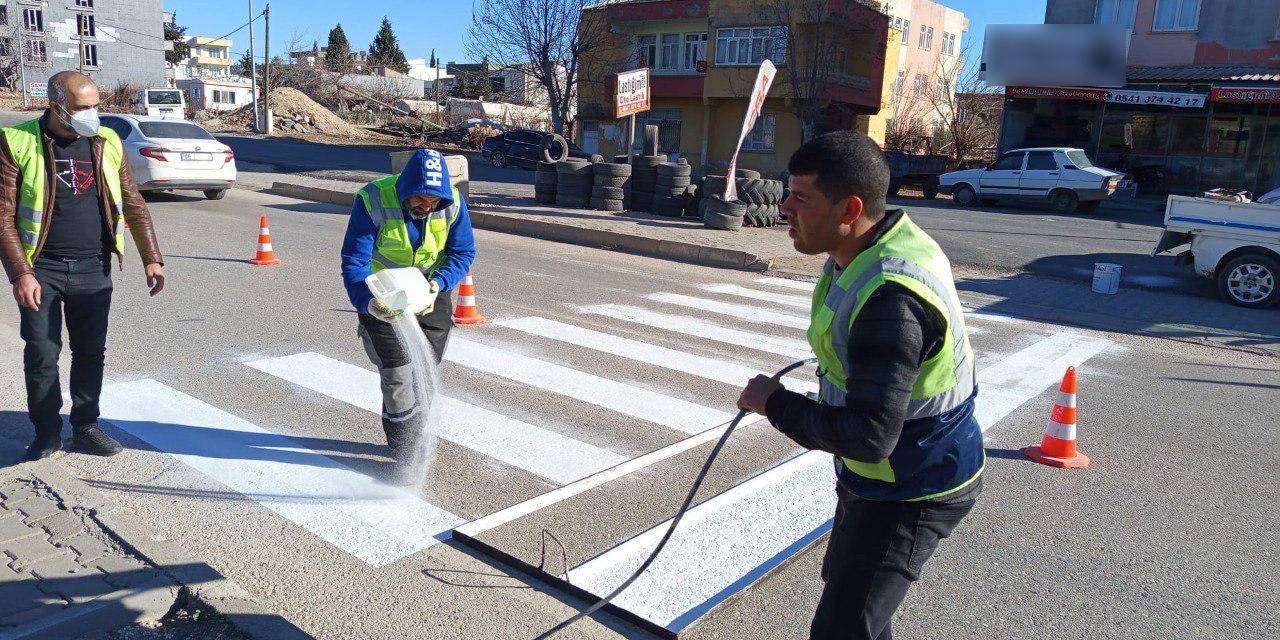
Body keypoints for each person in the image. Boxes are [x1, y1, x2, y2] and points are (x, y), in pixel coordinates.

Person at [737, 131, 983, 640]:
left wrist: (774, 404)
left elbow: (869, 435)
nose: (784, 209)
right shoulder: (869, 248)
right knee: (853, 603)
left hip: (915, 486)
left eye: (801, 198)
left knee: (844, 628)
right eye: (786, 193)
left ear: (850, 209)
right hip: (879, 475)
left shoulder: (891, 301)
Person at [0, 72, 165, 462]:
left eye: (95, 106)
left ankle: (87, 426)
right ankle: (46, 433)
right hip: (42, 269)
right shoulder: (16, 141)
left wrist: (152, 258)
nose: (92, 115)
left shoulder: (107, 141)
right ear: (56, 105)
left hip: (94, 266)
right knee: (42, 352)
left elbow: (134, 203)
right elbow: (3, 216)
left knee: (91, 351)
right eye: (82, 108)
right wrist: (20, 273)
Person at [340, 149, 475, 479]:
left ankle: (410, 424)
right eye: (420, 198)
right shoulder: (373, 199)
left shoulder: (453, 204)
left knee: (426, 369)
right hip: (382, 295)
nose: (426, 206)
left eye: (434, 201)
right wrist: (366, 302)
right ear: (405, 188)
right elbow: (354, 261)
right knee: (399, 374)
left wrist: (438, 284)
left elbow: (463, 252)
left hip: (429, 291)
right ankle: (404, 448)